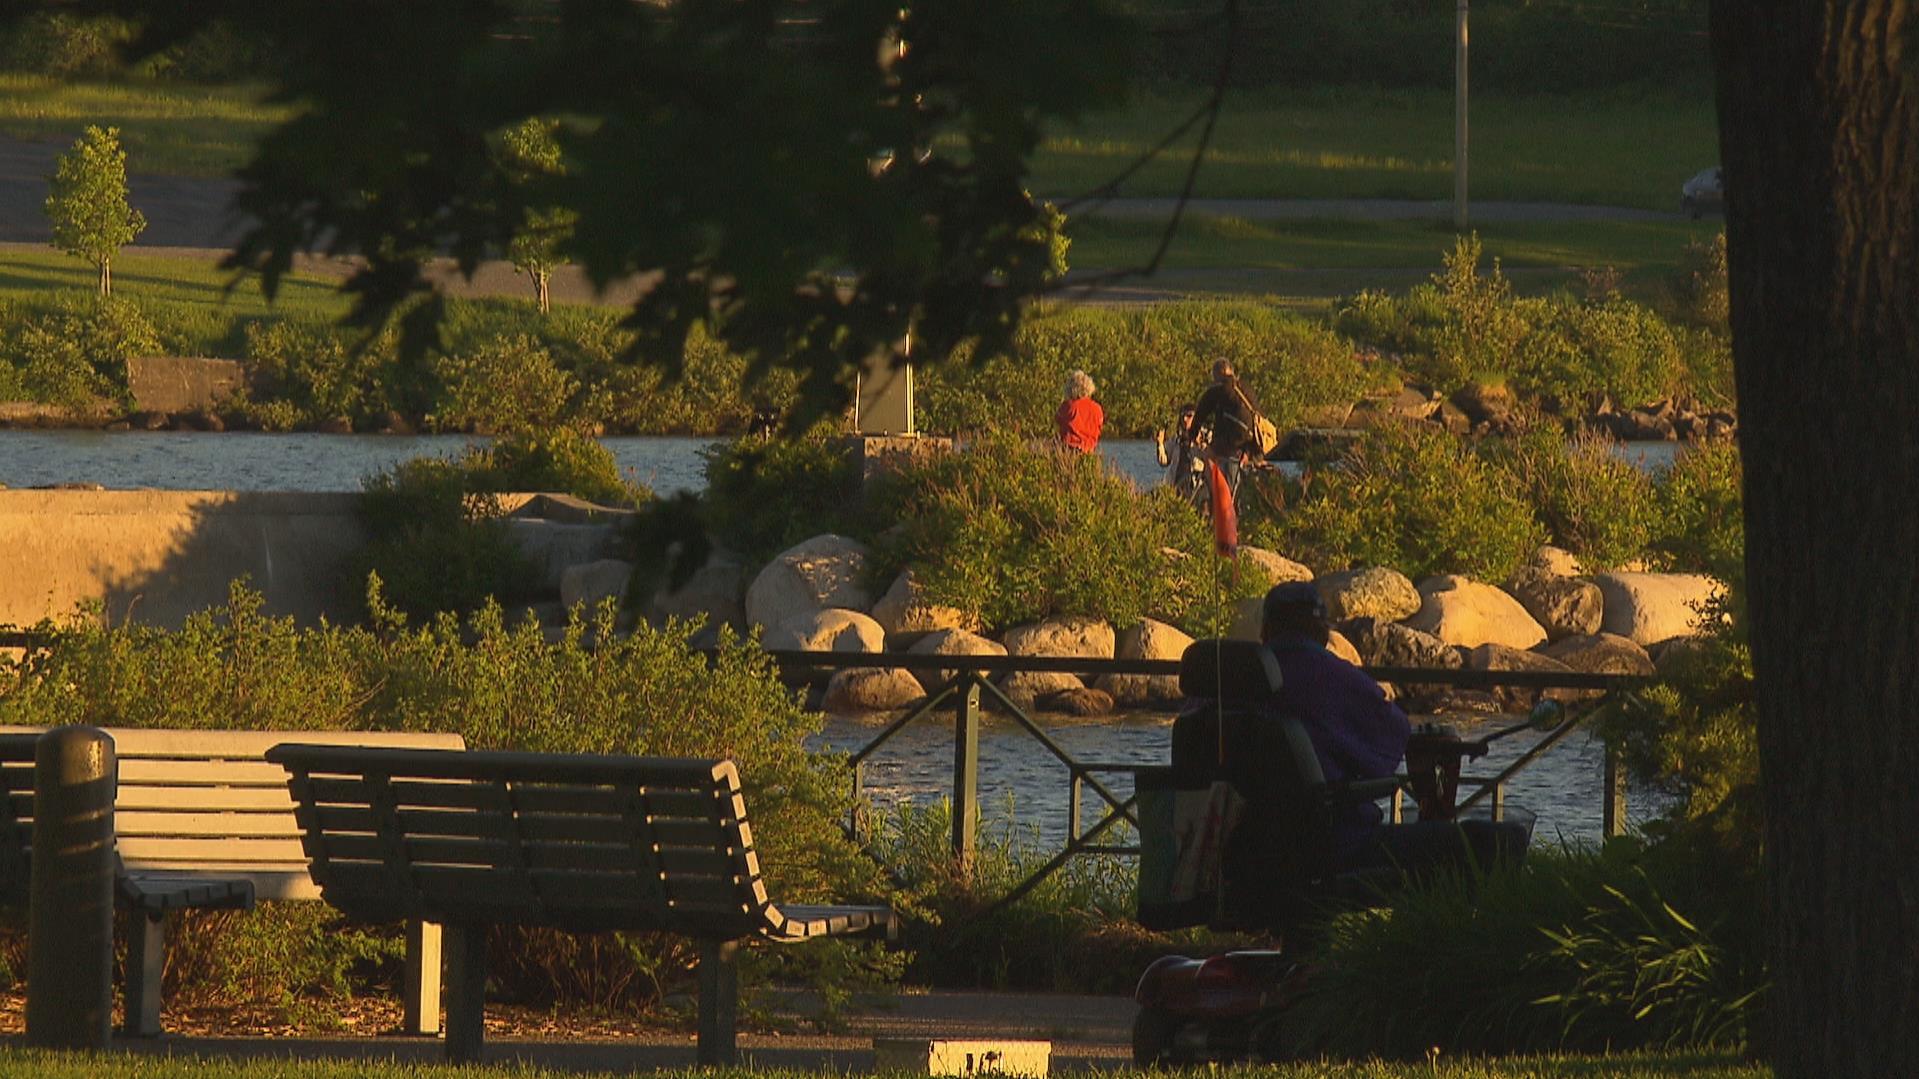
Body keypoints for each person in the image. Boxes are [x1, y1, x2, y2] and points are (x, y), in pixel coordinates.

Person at [1254, 582, 1528, 880]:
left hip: (1243, 855)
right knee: (1498, 841)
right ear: (1322, 633)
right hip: (1336, 849)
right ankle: (1452, 926)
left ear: (1265, 630)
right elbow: (1390, 745)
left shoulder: (1219, 684)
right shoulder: (1334, 677)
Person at [1189, 359, 1261, 493]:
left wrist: (1192, 435)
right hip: (1251, 445)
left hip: (1230, 445)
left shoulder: (1219, 389)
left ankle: (1212, 497)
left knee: (1207, 455)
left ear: (1219, 373)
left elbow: (1200, 413)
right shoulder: (1247, 389)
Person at [1154, 402, 1208, 504]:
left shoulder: (1204, 439)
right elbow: (1164, 461)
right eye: (1183, 416)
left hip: (1196, 492)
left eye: (1189, 416)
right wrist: (1160, 444)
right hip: (1175, 488)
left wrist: (1200, 445)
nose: (1185, 419)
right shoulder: (1176, 440)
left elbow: (1212, 462)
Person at [1055, 369, 1104, 453]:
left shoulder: (1067, 406)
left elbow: (1057, 421)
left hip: (1069, 450)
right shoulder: (1097, 408)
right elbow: (1099, 428)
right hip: (1089, 452)